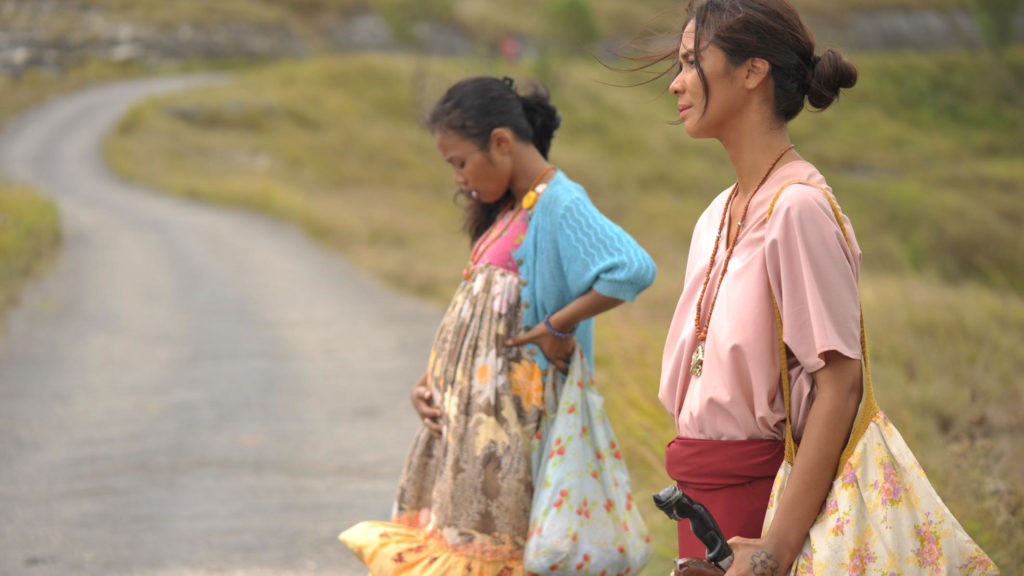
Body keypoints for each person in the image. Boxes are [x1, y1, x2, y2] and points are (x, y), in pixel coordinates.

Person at [339, 76, 656, 575]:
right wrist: (433, 379)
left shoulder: (559, 202)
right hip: (473, 432)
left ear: (501, 142)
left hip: (512, 433)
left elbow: (632, 268)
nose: (458, 178)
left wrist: (558, 326)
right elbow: (477, 314)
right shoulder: (510, 209)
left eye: (460, 162)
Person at [655, 1, 863, 574]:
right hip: (702, 496)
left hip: (764, 506)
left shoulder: (796, 208)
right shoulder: (717, 213)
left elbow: (841, 385)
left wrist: (776, 548)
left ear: (753, 71)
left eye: (692, 62)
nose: (676, 83)